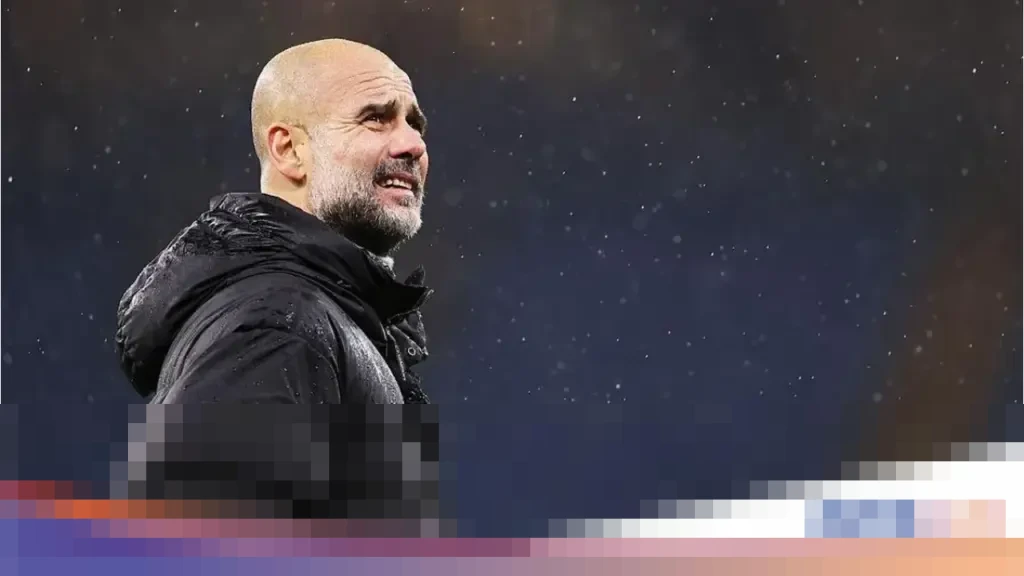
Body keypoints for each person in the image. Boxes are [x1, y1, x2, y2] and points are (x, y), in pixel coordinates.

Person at [115, 39, 434, 404]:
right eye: (375, 119)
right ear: (288, 150)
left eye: (414, 124)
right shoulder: (277, 324)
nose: (414, 144)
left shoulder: (307, 319)